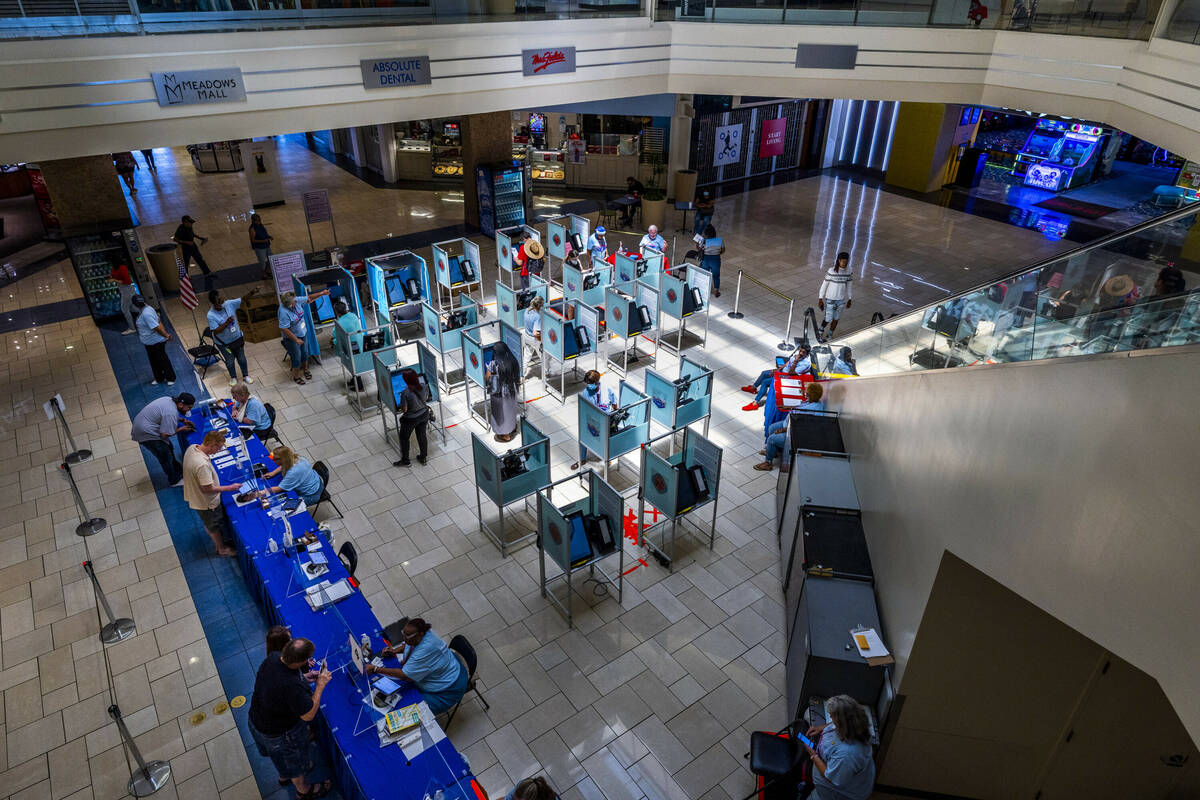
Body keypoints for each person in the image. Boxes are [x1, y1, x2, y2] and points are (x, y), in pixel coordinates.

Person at [248, 638, 333, 800]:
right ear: (299, 661)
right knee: (295, 765)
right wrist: (320, 685)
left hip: (257, 721)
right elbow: (308, 715)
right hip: (280, 735)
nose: (309, 662)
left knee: (280, 759)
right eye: (307, 659)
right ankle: (304, 791)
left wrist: (304, 677)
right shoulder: (291, 686)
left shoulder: (273, 658)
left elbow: (278, 683)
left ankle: (284, 775)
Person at [365, 618, 467, 716]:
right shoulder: (418, 636)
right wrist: (394, 650)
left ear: (420, 634)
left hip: (447, 689)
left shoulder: (426, 650)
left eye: (407, 636)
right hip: (443, 667)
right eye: (403, 634)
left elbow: (405, 675)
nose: (404, 639)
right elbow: (409, 644)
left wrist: (375, 669)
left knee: (412, 711)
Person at [804, 694, 876, 800]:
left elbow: (832, 778)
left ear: (842, 722)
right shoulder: (857, 724)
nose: (831, 719)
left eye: (832, 717)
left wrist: (813, 755)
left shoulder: (847, 754)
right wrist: (821, 728)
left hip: (837, 794)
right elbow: (834, 724)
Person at [182, 430, 240, 556]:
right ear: (212, 445)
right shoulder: (202, 465)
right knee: (214, 526)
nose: (218, 451)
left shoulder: (192, 448)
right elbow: (207, 489)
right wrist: (230, 487)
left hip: (195, 495)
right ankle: (221, 548)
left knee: (209, 523)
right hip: (206, 502)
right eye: (218, 448)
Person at [754, 383, 824, 471]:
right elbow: (800, 407)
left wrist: (784, 429)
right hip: (790, 422)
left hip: (796, 434)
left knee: (771, 439)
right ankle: (772, 451)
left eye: (807, 393)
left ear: (811, 395)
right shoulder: (816, 401)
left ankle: (768, 463)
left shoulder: (812, 411)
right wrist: (786, 407)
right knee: (772, 427)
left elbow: (802, 427)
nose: (805, 394)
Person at [131, 393, 195, 487]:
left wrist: (182, 420)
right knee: (165, 456)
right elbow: (165, 435)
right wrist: (182, 429)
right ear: (181, 405)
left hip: (143, 424)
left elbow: (164, 414)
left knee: (169, 447)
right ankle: (174, 481)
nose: (190, 410)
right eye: (189, 407)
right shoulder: (171, 412)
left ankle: (178, 469)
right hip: (146, 434)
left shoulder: (169, 400)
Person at [278, 289, 330, 385]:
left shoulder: (295, 299)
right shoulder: (283, 312)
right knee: (296, 357)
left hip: (302, 332)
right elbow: (284, 329)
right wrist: (296, 339)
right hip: (292, 338)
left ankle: (306, 370)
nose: (296, 302)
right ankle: (296, 376)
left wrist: (322, 293)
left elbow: (309, 298)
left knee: (305, 353)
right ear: (289, 304)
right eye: (294, 302)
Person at [207, 288, 257, 387]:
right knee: (229, 361)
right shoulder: (211, 315)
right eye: (219, 303)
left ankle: (245, 375)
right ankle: (233, 377)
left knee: (242, 359)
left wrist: (252, 292)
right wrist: (227, 323)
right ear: (214, 303)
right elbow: (215, 331)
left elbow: (242, 300)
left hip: (237, 338)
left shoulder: (228, 304)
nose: (222, 304)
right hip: (224, 344)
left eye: (222, 301)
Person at [741, 344, 812, 411]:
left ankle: (755, 403)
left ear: (807, 354)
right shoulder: (798, 355)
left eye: (803, 352)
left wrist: (796, 361)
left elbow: (791, 373)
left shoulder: (805, 363)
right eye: (800, 351)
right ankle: (753, 388)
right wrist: (778, 369)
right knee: (764, 373)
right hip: (782, 372)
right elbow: (789, 362)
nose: (801, 353)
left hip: (787, 377)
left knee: (765, 382)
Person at [571, 370, 617, 470]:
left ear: (596, 382)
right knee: (583, 437)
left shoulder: (606, 390)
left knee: (606, 439)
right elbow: (584, 408)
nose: (588, 386)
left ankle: (607, 458)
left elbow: (614, 403)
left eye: (590, 383)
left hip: (605, 420)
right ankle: (582, 458)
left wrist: (615, 415)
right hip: (591, 419)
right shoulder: (586, 393)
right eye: (587, 383)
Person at [133, 294, 176, 386]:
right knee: (154, 361)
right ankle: (159, 378)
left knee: (162, 360)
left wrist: (166, 335)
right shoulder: (147, 308)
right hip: (149, 342)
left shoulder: (146, 314)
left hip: (156, 342)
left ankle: (170, 377)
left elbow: (157, 327)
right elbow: (158, 319)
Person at [391, 369, 431, 468]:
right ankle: (423, 457)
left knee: (404, 438)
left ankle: (406, 461)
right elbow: (426, 398)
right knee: (422, 435)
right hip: (424, 414)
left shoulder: (405, 393)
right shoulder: (423, 385)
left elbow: (404, 410)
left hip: (410, 419)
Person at [485, 341, 521, 443]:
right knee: (511, 410)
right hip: (511, 389)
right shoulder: (513, 361)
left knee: (500, 413)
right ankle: (512, 427)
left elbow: (487, 378)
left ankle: (505, 435)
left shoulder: (493, 364)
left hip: (499, 393)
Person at [818, 251, 853, 342]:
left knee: (836, 319)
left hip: (841, 300)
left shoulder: (849, 270)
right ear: (839, 260)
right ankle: (821, 329)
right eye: (843, 262)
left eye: (846, 262)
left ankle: (830, 335)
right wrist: (820, 298)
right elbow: (824, 284)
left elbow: (849, 285)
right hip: (830, 299)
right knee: (828, 318)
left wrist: (850, 298)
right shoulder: (831, 271)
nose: (845, 264)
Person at [694, 223, 725, 297]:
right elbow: (723, 250)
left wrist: (697, 243)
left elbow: (699, 249)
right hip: (716, 259)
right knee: (716, 275)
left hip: (706, 259)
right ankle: (716, 291)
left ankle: (704, 290)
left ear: (706, 234)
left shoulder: (704, 241)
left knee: (705, 274)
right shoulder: (720, 240)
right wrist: (717, 253)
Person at [111, 262, 137, 335]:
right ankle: (154, 315)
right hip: (125, 291)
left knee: (124, 309)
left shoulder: (122, 268)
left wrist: (114, 280)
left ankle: (132, 328)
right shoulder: (116, 268)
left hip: (127, 291)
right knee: (133, 308)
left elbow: (128, 281)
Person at [523, 295, 545, 378]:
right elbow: (535, 333)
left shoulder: (527, 311)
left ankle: (522, 375)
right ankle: (546, 373)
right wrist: (543, 333)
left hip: (526, 336)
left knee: (527, 356)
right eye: (542, 305)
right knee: (543, 356)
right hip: (534, 339)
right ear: (539, 305)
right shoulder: (537, 317)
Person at [249, 213, 274, 279]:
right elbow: (253, 240)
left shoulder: (261, 225)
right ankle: (263, 274)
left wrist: (269, 237)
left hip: (266, 245)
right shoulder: (252, 229)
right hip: (259, 248)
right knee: (263, 261)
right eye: (257, 220)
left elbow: (265, 234)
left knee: (270, 258)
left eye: (259, 220)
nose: (259, 222)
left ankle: (268, 271)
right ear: (253, 221)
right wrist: (263, 241)